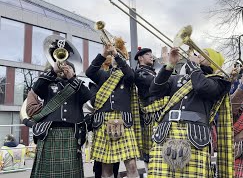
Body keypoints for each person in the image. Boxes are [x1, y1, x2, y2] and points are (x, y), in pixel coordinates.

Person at [148, 47, 233, 177]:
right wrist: (169, 65)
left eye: (204, 54)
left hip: (194, 137)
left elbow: (201, 87)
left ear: (213, 61)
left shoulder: (218, 81)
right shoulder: (179, 78)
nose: (198, 55)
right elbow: (154, 90)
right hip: (167, 132)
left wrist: (193, 65)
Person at [29, 35, 92, 178]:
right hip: (49, 132)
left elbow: (89, 97)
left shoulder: (77, 85)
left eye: (67, 64)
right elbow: (36, 89)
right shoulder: (47, 82)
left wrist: (73, 78)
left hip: (71, 133)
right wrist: (52, 71)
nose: (64, 66)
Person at [86, 42, 141, 178]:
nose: (117, 58)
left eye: (121, 55)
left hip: (124, 121)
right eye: (115, 55)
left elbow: (131, 76)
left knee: (132, 165)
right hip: (104, 120)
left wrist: (116, 54)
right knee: (107, 167)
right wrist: (103, 54)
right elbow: (89, 72)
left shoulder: (128, 75)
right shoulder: (103, 75)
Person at [134, 46, 170, 176]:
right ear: (140, 58)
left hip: (161, 111)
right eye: (148, 54)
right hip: (151, 113)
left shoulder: (153, 72)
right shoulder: (139, 73)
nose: (151, 56)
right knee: (152, 149)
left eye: (151, 54)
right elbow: (157, 84)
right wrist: (167, 65)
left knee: (163, 147)